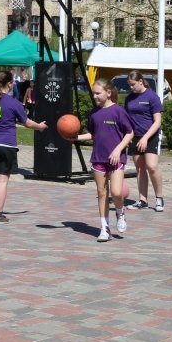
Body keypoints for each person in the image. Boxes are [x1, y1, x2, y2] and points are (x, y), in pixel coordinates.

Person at [0, 71, 48, 223]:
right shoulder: (14, 103)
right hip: (6, 145)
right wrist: (40, 127)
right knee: (2, 181)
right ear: (10, 84)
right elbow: (27, 123)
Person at [65, 78, 134, 242]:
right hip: (98, 158)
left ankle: (120, 212)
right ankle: (104, 228)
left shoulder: (119, 111)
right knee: (101, 193)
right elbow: (93, 134)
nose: (95, 96)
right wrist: (76, 138)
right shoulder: (94, 113)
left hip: (116, 159)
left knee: (116, 192)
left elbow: (130, 133)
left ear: (108, 93)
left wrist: (118, 149)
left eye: (98, 93)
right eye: (94, 93)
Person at [124, 70, 165, 212]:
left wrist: (146, 138)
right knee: (140, 168)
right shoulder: (129, 98)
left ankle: (159, 199)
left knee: (151, 166)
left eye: (133, 84)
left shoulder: (152, 97)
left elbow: (158, 121)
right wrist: (127, 136)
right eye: (129, 85)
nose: (131, 87)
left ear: (141, 82)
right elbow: (127, 120)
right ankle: (142, 200)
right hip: (135, 137)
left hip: (151, 136)